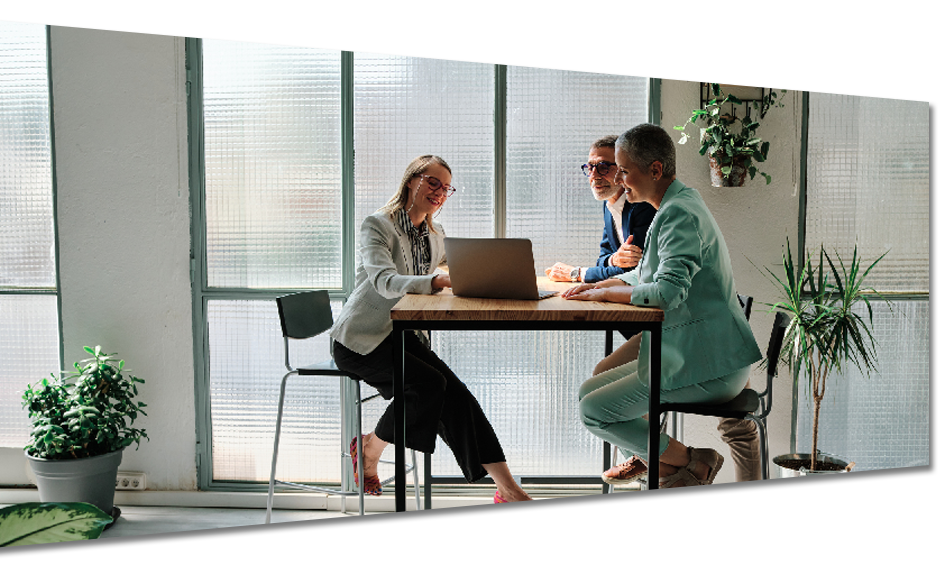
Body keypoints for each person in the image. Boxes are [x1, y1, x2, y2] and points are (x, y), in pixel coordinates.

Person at [329, 154, 551, 525]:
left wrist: (498, 275)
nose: (439, 193)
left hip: (403, 336)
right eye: (433, 183)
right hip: (361, 341)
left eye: (446, 188)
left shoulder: (436, 234)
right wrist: (435, 281)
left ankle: (507, 488)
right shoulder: (377, 225)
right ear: (412, 180)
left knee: (455, 393)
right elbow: (384, 281)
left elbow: (461, 265)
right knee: (431, 385)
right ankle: (370, 449)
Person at [564, 124, 762, 529]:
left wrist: (604, 295)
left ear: (654, 169)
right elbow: (645, 276)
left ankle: (694, 464)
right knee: (590, 390)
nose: (619, 180)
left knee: (593, 411)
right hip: (692, 349)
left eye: (623, 171)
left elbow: (667, 292)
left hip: (710, 364)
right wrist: (602, 284)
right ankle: (677, 470)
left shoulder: (679, 215)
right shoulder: (673, 206)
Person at [545, 135, 656, 286]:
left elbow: (633, 272)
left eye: (603, 167)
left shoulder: (642, 205)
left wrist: (577, 273)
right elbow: (602, 259)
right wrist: (614, 259)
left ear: (622, 170)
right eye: (590, 167)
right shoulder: (609, 204)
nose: (594, 176)